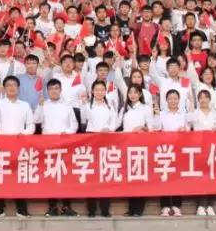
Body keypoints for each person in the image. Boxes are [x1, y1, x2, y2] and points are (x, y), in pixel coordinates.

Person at [35, 79, 79, 217]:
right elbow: (36, 120)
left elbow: (74, 124)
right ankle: (52, 207)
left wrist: (68, 132)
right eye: (51, 89)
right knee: (50, 176)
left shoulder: (67, 106)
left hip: (64, 145)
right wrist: (39, 106)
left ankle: (66, 206)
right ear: (47, 91)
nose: (54, 91)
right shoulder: (44, 105)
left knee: (66, 176)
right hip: (48, 146)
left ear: (60, 90)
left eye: (56, 88)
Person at [0, 76, 33, 218]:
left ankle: (21, 208)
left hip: (19, 146)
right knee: (0, 177)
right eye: (8, 85)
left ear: (18, 88)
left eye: (14, 85)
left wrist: (24, 133)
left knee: (18, 177)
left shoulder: (25, 105)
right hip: (1, 146)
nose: (11, 87)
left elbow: (31, 125)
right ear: (4, 88)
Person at [82, 80, 121, 218]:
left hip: (106, 141)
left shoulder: (110, 106)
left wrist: (108, 129)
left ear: (105, 92)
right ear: (92, 92)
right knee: (91, 176)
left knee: (105, 175)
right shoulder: (88, 105)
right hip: (91, 140)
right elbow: (84, 120)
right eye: (96, 90)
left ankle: (105, 209)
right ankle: (91, 209)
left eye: (102, 90)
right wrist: (83, 104)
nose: (99, 92)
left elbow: (114, 123)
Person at [190, 89, 216, 216]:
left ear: (209, 99)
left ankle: (209, 204)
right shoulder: (195, 113)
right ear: (198, 100)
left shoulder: (215, 113)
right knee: (200, 177)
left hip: (212, 148)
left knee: (211, 176)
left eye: (206, 97)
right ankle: (200, 205)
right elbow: (189, 121)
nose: (203, 99)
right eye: (201, 97)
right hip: (198, 148)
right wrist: (191, 103)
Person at [154, 89, 187, 216]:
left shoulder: (183, 114)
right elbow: (156, 128)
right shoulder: (162, 114)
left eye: (175, 98)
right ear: (166, 100)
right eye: (170, 98)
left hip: (179, 149)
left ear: (179, 100)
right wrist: (157, 115)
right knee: (164, 177)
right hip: (164, 150)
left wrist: (185, 129)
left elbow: (189, 129)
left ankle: (177, 205)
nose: (173, 101)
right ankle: (165, 206)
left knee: (178, 178)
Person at [121, 84, 152, 217]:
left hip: (141, 146)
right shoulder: (124, 109)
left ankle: (139, 208)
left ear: (140, 94)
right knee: (130, 177)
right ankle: (131, 207)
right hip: (126, 146)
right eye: (130, 92)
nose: (132, 95)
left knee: (139, 177)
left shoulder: (146, 108)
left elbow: (151, 127)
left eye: (135, 92)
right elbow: (117, 125)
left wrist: (142, 128)